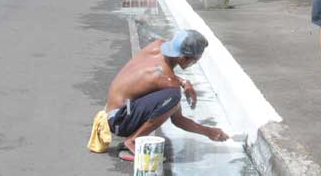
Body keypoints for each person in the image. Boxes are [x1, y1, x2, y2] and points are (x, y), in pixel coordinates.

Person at [89, 29, 229, 161]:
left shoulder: (157, 45)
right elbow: (178, 120)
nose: (195, 63)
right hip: (119, 122)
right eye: (195, 60)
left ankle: (132, 138)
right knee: (173, 98)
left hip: (112, 113)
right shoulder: (168, 82)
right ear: (184, 59)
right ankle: (132, 141)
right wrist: (209, 132)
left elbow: (155, 74)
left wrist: (184, 81)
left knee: (170, 97)